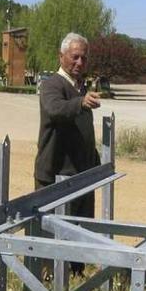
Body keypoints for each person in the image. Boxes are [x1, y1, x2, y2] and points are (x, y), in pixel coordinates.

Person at [34, 33, 102, 275]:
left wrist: (96, 164)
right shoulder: (52, 84)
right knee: (52, 238)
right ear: (61, 57)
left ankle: (75, 277)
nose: (80, 63)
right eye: (75, 57)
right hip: (55, 176)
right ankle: (46, 284)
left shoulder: (81, 86)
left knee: (78, 233)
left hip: (80, 176)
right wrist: (80, 103)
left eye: (84, 58)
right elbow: (54, 110)